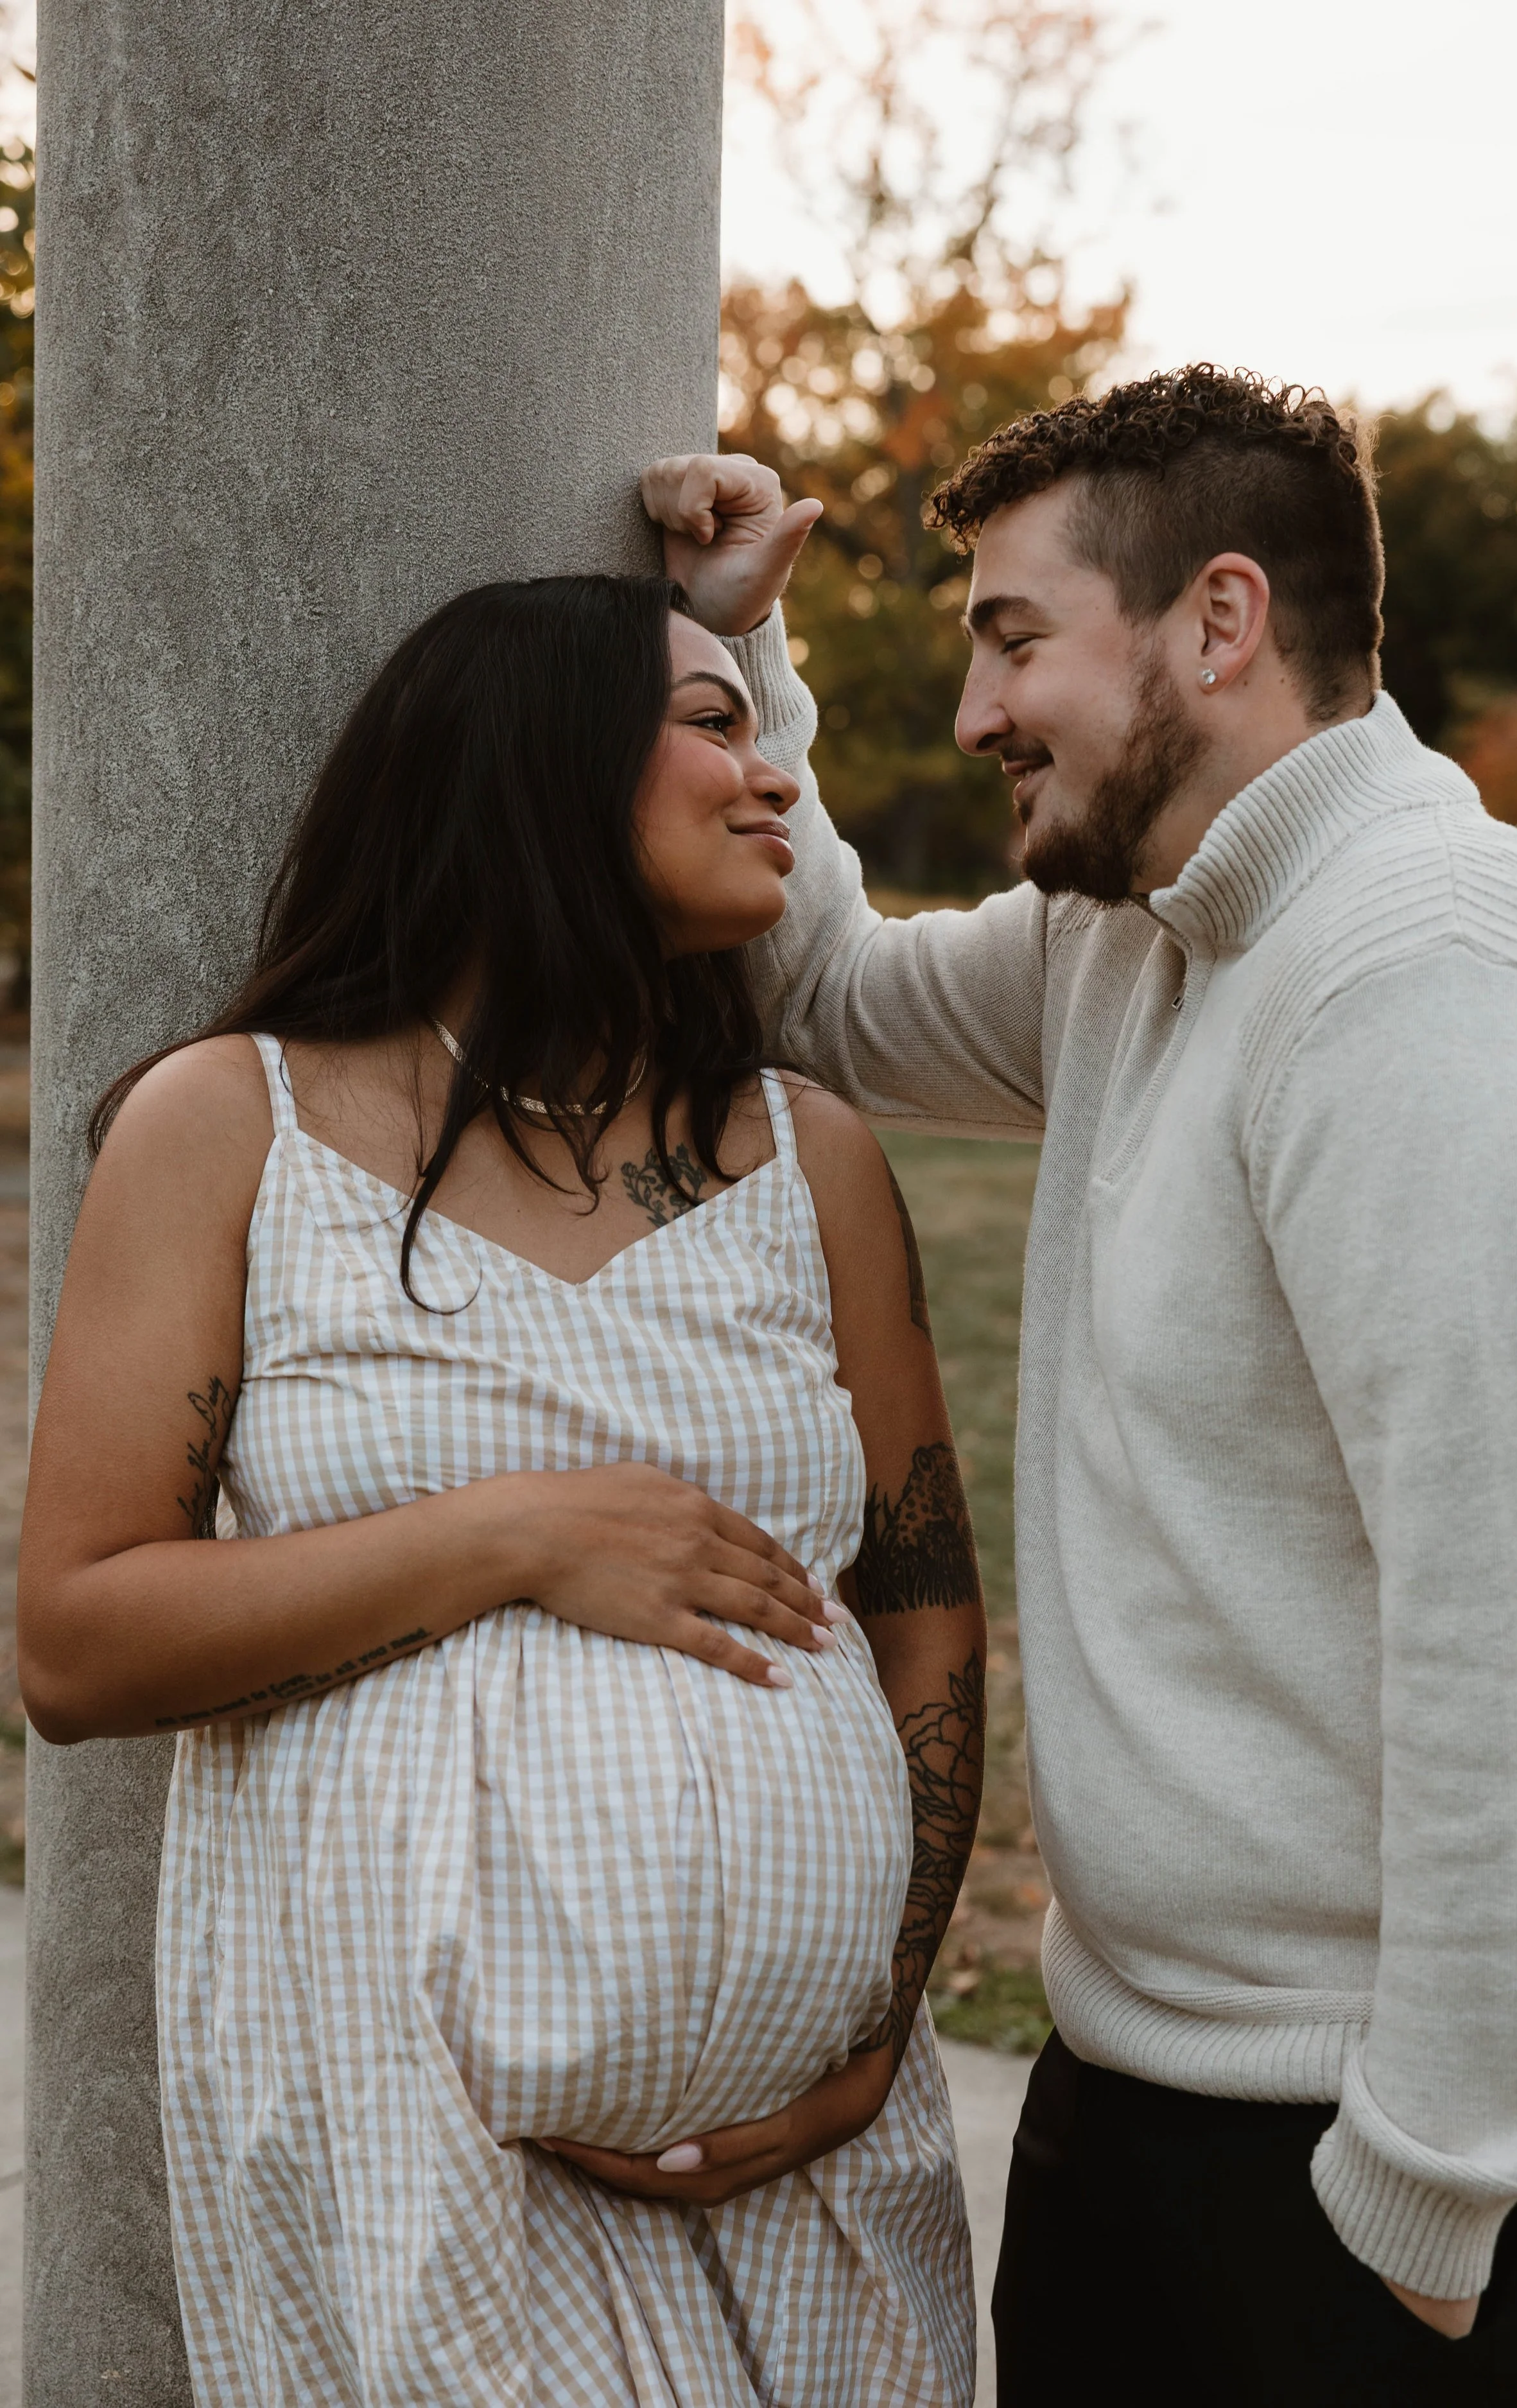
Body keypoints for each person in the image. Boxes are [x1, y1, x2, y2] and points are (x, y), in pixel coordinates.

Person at [641, 366, 1517, 2403]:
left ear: (1218, 622)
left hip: (1377, 2193)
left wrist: (1431, 2193)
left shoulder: (1418, 975)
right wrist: (738, 645)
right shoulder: (1138, 938)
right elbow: (818, 992)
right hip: (1144, 2098)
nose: (981, 711)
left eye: (1010, 637)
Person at [17, 573, 985, 2407]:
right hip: (416, 2145)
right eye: (715, 722)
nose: (774, 770)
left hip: (823, 2163)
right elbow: (73, 1644)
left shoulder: (811, 1159)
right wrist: (514, 1536)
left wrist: (876, 2013)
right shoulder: (238, 1126)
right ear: (535, 765)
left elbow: (921, 1597)